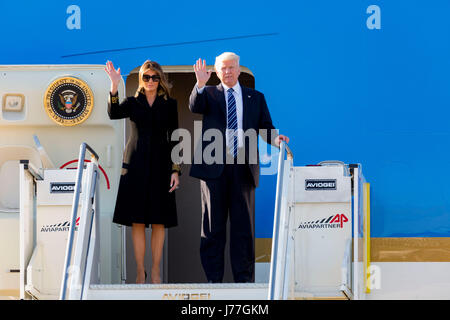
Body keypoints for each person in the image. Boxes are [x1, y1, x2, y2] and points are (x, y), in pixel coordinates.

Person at [189, 52, 289, 283]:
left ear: (239, 69)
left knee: (243, 230)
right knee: (212, 229)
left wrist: (275, 140)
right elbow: (195, 106)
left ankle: (243, 282)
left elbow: (266, 127)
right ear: (216, 70)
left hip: (243, 169)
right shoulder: (209, 93)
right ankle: (214, 282)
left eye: (231, 67)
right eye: (223, 68)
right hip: (213, 170)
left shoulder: (255, 97)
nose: (227, 72)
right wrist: (200, 84)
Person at [105, 60, 181, 284]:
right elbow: (113, 113)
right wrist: (114, 85)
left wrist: (176, 170)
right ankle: (140, 271)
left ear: (161, 80)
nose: (150, 81)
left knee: (159, 221)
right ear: (141, 79)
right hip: (134, 165)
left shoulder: (169, 104)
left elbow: (176, 138)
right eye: (146, 77)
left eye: (155, 77)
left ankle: (155, 271)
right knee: (137, 220)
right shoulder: (132, 102)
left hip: (161, 166)